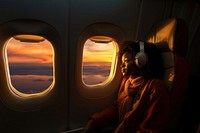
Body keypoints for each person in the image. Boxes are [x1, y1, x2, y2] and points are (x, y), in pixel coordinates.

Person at [82, 40, 170, 133]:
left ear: (141, 61)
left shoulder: (156, 88)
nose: (121, 65)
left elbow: (149, 129)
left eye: (126, 61)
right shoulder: (127, 82)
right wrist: (94, 121)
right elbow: (117, 108)